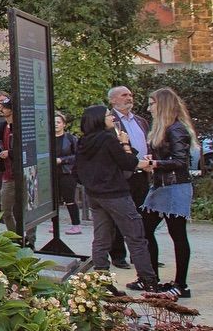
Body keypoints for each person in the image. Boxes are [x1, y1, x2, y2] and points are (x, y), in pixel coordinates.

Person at [72, 104, 167, 294]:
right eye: (109, 115)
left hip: (95, 196)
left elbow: (76, 172)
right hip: (116, 194)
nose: (113, 118)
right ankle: (149, 280)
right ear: (99, 119)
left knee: (101, 239)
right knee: (136, 237)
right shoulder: (108, 139)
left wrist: (92, 183)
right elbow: (128, 163)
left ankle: (102, 283)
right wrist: (124, 143)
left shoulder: (84, 141)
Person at [140, 87, 198, 297]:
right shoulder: (165, 128)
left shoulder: (176, 129)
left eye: (152, 104)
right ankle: (152, 279)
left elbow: (180, 161)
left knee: (177, 234)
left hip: (175, 187)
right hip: (161, 187)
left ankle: (181, 285)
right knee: (145, 230)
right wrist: (153, 161)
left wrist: (154, 163)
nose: (149, 108)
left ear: (162, 105)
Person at [105, 85, 152, 269]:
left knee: (142, 216)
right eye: (124, 95)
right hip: (121, 176)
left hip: (142, 175)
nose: (129, 98)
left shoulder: (141, 121)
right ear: (113, 100)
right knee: (119, 217)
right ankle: (118, 255)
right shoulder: (109, 122)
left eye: (130, 95)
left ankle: (141, 255)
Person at [54, 111, 82, 234]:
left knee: (69, 199)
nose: (56, 124)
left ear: (64, 124)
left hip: (67, 172)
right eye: (54, 122)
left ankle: (76, 225)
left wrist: (62, 160)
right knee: (53, 200)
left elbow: (78, 156)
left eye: (58, 122)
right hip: (51, 173)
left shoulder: (71, 138)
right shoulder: (47, 139)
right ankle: (55, 224)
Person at [0, 95, 17, 230]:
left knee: (25, 209)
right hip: (7, 174)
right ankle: (15, 236)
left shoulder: (19, 127)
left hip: (19, 173)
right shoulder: (2, 126)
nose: (1, 109)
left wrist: (10, 153)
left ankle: (30, 238)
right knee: (6, 210)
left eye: (5, 107)